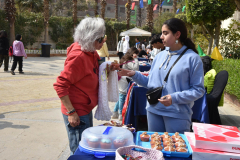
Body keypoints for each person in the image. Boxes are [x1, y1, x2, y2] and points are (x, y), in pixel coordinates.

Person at [117, 18, 205, 133]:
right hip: (153, 111)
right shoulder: (159, 56)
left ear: (177, 34)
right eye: (162, 33)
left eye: (165, 33)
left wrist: (174, 98)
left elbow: (198, 90)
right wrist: (134, 74)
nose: (161, 37)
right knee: (155, 149)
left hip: (177, 115)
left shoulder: (192, 58)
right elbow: (150, 83)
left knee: (175, 150)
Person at [53, 17, 106, 154]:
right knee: (80, 151)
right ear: (89, 38)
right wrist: (71, 112)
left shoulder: (91, 52)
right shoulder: (79, 57)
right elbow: (60, 85)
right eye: (100, 39)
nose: (103, 42)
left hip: (85, 107)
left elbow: (97, 67)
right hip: (76, 111)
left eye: (103, 38)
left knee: (87, 146)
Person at [112, 47, 139, 120]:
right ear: (133, 54)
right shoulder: (129, 61)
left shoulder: (124, 59)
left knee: (120, 97)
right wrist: (136, 59)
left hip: (121, 79)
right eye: (136, 54)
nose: (137, 55)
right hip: (124, 80)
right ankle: (121, 114)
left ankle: (115, 112)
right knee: (122, 97)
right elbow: (136, 68)